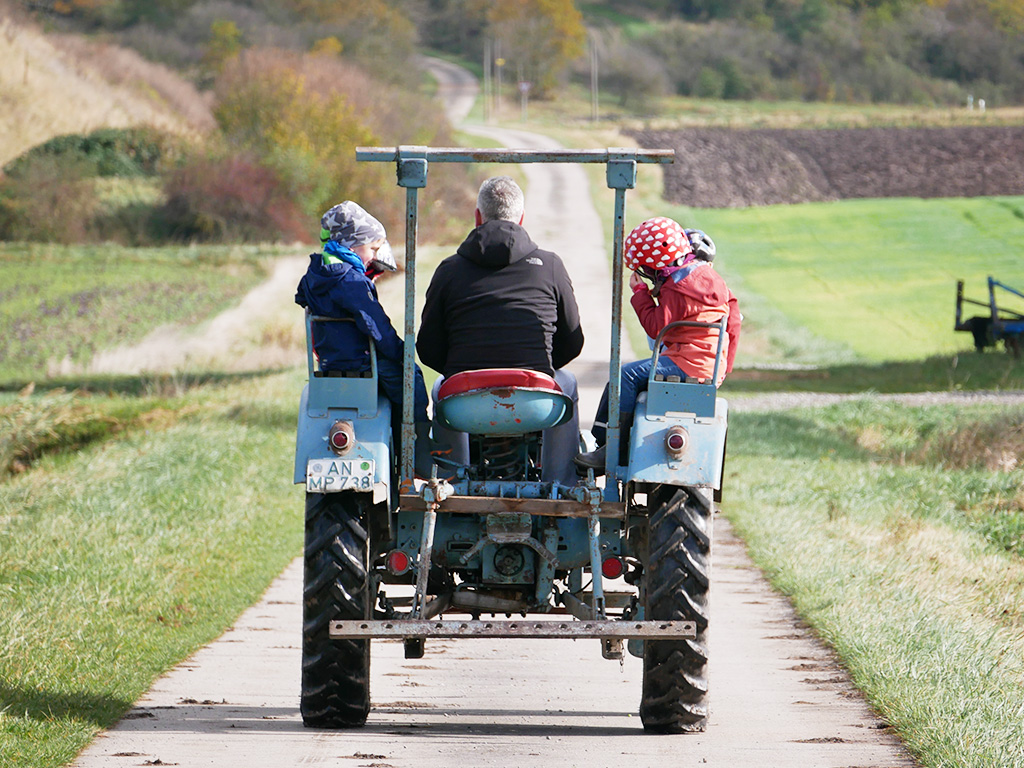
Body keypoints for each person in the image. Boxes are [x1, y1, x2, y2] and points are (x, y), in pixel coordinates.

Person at [416, 176, 585, 485]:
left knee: (441, 387)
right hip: (537, 402)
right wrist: (542, 367)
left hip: (464, 403)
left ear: (478, 217)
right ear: (521, 218)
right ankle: (562, 484)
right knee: (568, 384)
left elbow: (427, 348)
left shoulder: (449, 269)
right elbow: (572, 342)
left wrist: (461, 371)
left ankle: (452, 480)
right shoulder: (550, 266)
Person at [575, 216, 741, 472]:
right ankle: (611, 443)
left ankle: (610, 447)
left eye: (646, 270)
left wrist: (641, 293)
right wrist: (722, 370)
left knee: (624, 377)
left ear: (656, 266)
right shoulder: (707, 277)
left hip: (686, 362)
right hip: (706, 365)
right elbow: (733, 322)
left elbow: (656, 327)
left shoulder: (678, 287)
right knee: (632, 375)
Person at [295, 200, 433, 476]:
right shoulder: (352, 282)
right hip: (362, 362)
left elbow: (301, 296)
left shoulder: (316, 274)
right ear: (352, 246)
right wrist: (401, 352)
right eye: (372, 248)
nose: (373, 255)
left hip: (330, 362)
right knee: (412, 381)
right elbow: (376, 326)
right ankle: (418, 455)